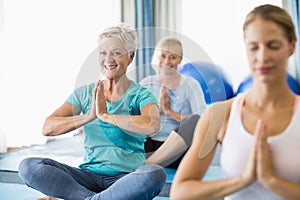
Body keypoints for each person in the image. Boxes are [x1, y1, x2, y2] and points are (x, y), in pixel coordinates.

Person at [18, 23, 166, 200]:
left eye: (116, 53)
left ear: (131, 56)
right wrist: (89, 116)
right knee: (28, 166)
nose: (108, 59)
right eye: (103, 53)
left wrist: (106, 116)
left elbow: (152, 124)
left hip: (126, 179)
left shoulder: (141, 95)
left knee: (154, 173)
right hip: (86, 177)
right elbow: (48, 127)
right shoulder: (85, 93)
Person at [170, 4, 300, 200]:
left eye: (273, 46)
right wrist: (242, 180)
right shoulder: (219, 115)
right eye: (254, 47)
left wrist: (272, 181)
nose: (262, 56)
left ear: (291, 46)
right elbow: (181, 193)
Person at [140, 38, 206, 168]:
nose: (166, 61)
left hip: (177, 151)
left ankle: (149, 163)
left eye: (172, 57)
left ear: (180, 60)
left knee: (195, 120)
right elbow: (136, 120)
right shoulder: (146, 83)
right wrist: (158, 110)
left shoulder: (191, 85)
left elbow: (203, 121)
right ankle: (147, 161)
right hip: (148, 146)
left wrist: (169, 112)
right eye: (163, 56)